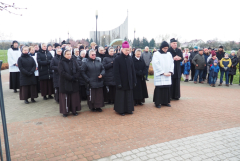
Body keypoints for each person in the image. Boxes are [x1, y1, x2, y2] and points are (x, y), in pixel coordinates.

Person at [113, 41, 136, 116]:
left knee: (129, 96)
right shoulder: (117, 59)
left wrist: (134, 80)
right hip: (121, 82)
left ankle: (129, 109)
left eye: (128, 50)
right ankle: (121, 110)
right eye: (126, 50)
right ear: (122, 50)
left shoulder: (130, 58)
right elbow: (116, 72)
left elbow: (133, 70)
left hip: (129, 81)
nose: (127, 51)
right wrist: (118, 83)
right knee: (121, 97)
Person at [58, 50, 81, 117]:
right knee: (65, 98)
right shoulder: (61, 62)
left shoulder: (74, 61)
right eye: (67, 54)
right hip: (65, 82)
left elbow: (78, 70)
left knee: (74, 97)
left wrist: (75, 77)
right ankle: (65, 112)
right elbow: (62, 72)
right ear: (64, 55)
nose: (69, 55)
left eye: (70, 54)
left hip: (74, 82)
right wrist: (70, 77)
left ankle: (74, 110)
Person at [152, 41, 174, 108]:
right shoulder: (156, 54)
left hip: (167, 74)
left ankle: (166, 102)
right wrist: (162, 72)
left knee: (166, 88)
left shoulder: (169, 54)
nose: (165, 50)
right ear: (161, 47)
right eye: (164, 48)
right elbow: (155, 64)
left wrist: (170, 72)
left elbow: (172, 63)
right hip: (160, 75)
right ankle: (157, 103)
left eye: (167, 48)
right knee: (159, 88)